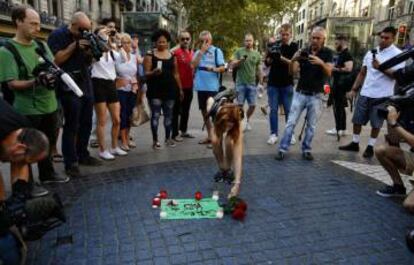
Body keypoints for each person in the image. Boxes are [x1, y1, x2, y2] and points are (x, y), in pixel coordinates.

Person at [0, 5, 68, 197]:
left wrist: (51, 74)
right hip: (26, 109)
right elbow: (12, 84)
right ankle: (26, 185)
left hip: (50, 105)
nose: (38, 28)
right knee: (25, 149)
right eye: (33, 24)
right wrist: (36, 81)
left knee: (47, 142)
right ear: (18, 22)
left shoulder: (41, 45)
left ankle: (47, 174)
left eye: (38, 24)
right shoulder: (7, 51)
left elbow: (52, 65)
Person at [48, 11, 102, 178]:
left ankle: (83, 154)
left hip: (85, 82)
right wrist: (75, 45)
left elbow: (91, 60)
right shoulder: (57, 35)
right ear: (73, 25)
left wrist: (90, 51)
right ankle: (70, 162)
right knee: (72, 125)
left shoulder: (86, 36)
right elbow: (55, 60)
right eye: (82, 30)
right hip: (68, 84)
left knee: (86, 122)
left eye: (88, 29)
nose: (85, 33)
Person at [339, 27, 405, 158]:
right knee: (357, 120)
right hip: (365, 92)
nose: (383, 40)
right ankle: (355, 143)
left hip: (382, 95)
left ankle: (370, 146)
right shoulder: (370, 53)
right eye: (381, 37)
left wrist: (380, 67)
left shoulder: (398, 55)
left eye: (387, 38)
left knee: (376, 123)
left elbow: (397, 76)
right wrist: (353, 89)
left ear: (393, 38)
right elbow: (362, 72)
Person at [0, 98, 49, 265]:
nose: (24, 164)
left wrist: (19, 196)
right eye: (28, 160)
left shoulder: (22, 127)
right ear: (20, 148)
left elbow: (19, 163)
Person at [275, 27, 334, 161]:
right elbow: (292, 72)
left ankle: (306, 149)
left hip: (317, 95)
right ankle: (282, 148)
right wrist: (294, 60)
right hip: (300, 93)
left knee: (311, 125)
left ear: (324, 39)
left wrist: (321, 63)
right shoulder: (303, 51)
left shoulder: (328, 53)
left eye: (318, 38)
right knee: (291, 122)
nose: (315, 40)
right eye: (313, 37)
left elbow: (329, 72)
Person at [91, 26, 127, 160]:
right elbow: (93, 60)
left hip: (111, 84)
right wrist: (101, 39)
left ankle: (114, 147)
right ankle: (102, 150)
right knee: (102, 120)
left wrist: (118, 40)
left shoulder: (111, 51)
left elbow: (124, 58)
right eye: (104, 32)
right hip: (98, 83)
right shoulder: (94, 49)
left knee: (117, 119)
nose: (107, 33)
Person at [144, 29, 183, 149]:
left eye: (164, 42)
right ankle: (155, 140)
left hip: (170, 89)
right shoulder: (150, 55)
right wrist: (153, 72)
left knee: (169, 115)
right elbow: (146, 73)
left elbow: (176, 74)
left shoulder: (173, 55)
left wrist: (180, 89)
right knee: (155, 115)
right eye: (159, 42)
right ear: (155, 42)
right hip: (155, 90)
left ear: (168, 42)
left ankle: (168, 138)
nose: (162, 44)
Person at [264, 24, 298, 145]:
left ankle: (290, 134)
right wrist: (269, 57)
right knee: (273, 110)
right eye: (282, 34)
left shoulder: (294, 46)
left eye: (287, 34)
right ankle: (273, 134)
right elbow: (267, 63)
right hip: (273, 82)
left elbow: (294, 65)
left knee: (289, 110)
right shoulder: (275, 44)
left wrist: (281, 57)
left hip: (287, 83)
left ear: (291, 34)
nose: (284, 37)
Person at [191, 31, 226, 147]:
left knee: (214, 113)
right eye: (202, 41)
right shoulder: (197, 52)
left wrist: (213, 69)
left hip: (212, 87)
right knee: (204, 113)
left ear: (211, 41)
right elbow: (193, 65)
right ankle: (210, 135)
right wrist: (201, 51)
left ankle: (217, 137)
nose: (204, 43)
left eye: (207, 40)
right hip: (200, 87)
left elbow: (222, 68)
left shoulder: (217, 51)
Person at [206, 95, 243, 198]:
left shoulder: (237, 124)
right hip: (217, 121)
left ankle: (227, 168)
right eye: (226, 124)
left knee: (229, 142)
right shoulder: (213, 110)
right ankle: (222, 168)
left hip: (230, 122)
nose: (227, 127)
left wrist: (237, 184)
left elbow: (238, 157)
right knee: (214, 140)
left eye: (230, 124)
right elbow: (209, 99)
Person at [231, 33, 262, 132]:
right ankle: (240, 122)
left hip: (252, 84)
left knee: (253, 105)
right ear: (244, 41)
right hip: (240, 83)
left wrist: (261, 81)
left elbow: (259, 68)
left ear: (253, 41)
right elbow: (232, 64)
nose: (248, 42)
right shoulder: (239, 51)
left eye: (250, 40)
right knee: (239, 105)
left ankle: (246, 119)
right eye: (247, 40)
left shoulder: (257, 54)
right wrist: (241, 60)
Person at [325, 35, 354, 137]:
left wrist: (334, 69)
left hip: (341, 86)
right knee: (339, 107)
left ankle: (339, 129)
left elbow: (349, 68)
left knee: (339, 108)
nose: (335, 45)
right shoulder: (341, 54)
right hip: (337, 85)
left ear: (343, 42)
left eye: (337, 43)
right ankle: (341, 129)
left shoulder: (347, 55)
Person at [115, 33, 139, 150]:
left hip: (133, 89)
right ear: (120, 44)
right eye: (123, 42)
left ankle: (128, 137)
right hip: (121, 89)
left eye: (128, 42)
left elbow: (139, 68)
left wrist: (136, 47)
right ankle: (123, 140)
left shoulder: (134, 57)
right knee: (123, 115)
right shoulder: (117, 56)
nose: (126, 45)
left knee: (130, 114)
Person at [172, 30, 195, 141]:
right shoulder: (175, 53)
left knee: (186, 110)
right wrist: (179, 88)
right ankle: (175, 133)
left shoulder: (191, 52)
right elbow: (174, 71)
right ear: (178, 40)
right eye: (183, 39)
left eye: (187, 39)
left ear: (190, 40)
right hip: (177, 87)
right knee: (176, 111)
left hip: (189, 86)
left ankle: (184, 131)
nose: (185, 41)